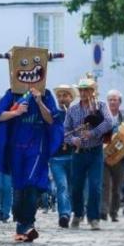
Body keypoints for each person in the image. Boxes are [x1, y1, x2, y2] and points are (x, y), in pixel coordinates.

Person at [0, 46, 63, 242]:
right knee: (19, 189)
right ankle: (22, 226)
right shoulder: (11, 94)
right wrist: (15, 112)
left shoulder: (45, 95)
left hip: (36, 150)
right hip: (16, 149)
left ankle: (27, 224)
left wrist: (39, 102)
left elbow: (51, 120)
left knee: (31, 185)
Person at [64, 76, 113, 231]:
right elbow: (65, 131)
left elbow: (110, 122)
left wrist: (92, 133)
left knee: (95, 186)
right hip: (78, 154)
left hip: (95, 152)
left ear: (93, 91)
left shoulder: (101, 106)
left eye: (87, 90)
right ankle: (78, 214)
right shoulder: (72, 109)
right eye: (81, 90)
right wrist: (73, 140)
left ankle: (93, 218)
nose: (84, 92)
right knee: (76, 186)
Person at [102, 89, 124, 222]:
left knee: (117, 187)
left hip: (120, 158)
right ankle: (103, 211)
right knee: (104, 185)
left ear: (120, 102)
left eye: (115, 100)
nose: (112, 102)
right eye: (110, 99)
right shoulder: (102, 116)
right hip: (104, 156)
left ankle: (113, 212)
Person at [51, 85, 77, 228]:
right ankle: (64, 214)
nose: (61, 99)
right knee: (62, 186)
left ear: (71, 98)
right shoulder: (54, 114)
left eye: (64, 96)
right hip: (56, 158)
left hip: (73, 156)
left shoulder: (76, 113)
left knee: (73, 187)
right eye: (59, 96)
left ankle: (76, 211)